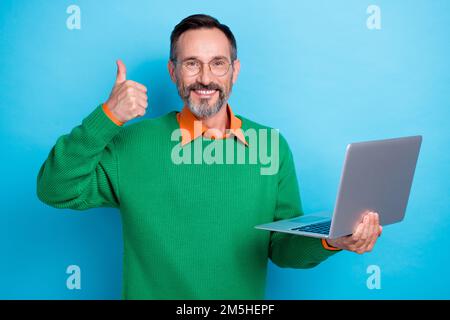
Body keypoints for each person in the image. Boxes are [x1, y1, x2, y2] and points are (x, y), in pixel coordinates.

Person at [36, 14, 382, 299]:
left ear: (235, 71)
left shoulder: (272, 146)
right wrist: (107, 117)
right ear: (173, 72)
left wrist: (330, 240)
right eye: (191, 64)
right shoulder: (132, 143)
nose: (205, 78)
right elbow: (55, 189)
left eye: (218, 64)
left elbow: (282, 248)